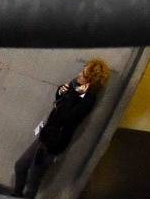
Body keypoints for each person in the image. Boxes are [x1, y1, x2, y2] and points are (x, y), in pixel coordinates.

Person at [13, 59, 109, 196]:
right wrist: (60, 92)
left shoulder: (88, 99)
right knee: (20, 166)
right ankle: (16, 195)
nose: (78, 74)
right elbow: (58, 105)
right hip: (46, 133)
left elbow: (66, 117)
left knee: (33, 180)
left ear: (90, 80)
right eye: (82, 70)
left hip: (54, 142)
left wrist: (71, 95)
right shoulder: (74, 86)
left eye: (83, 73)